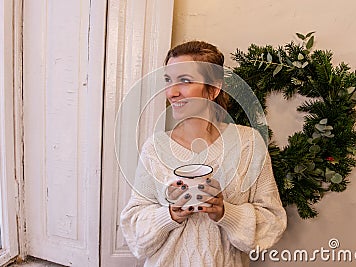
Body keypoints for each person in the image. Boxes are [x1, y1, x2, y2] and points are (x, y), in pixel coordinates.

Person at [120, 41, 287, 267]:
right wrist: (170, 214)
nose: (172, 92)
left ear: (213, 89)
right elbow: (133, 225)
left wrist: (225, 213)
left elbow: (272, 222)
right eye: (168, 80)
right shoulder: (156, 148)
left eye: (185, 81)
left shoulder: (248, 144)